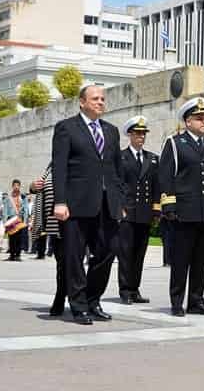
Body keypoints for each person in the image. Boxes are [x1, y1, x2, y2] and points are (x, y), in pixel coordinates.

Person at [52, 85, 124, 325]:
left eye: (103, 99)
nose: (100, 102)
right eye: (95, 98)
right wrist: (60, 201)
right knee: (74, 256)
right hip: (76, 204)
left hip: (107, 204)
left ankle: (93, 299)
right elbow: (59, 167)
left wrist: (120, 200)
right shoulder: (67, 128)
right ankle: (79, 305)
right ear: (82, 102)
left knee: (107, 251)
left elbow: (117, 170)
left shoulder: (111, 131)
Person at [159, 97, 204, 317]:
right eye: (199, 118)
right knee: (181, 260)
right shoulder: (175, 144)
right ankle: (177, 301)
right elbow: (166, 176)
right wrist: (169, 206)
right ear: (187, 121)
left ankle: (196, 300)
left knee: (201, 261)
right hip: (184, 212)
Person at [117, 116, 160, 305]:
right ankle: (125, 290)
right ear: (129, 135)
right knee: (126, 253)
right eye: (137, 134)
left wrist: (156, 209)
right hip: (128, 211)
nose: (141, 137)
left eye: (143, 134)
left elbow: (156, 187)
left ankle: (135, 289)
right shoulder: (121, 157)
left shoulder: (152, 159)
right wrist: (119, 208)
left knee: (140, 253)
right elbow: (116, 184)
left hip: (144, 212)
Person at [30, 164, 66, 315]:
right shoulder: (52, 166)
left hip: (77, 219)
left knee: (72, 264)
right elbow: (41, 184)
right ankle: (61, 297)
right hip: (56, 224)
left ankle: (84, 299)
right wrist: (33, 187)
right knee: (62, 264)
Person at [3, 179, 29, 261]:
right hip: (11, 219)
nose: (16, 187)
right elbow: (5, 210)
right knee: (12, 237)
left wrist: (25, 220)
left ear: (20, 186)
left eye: (18, 185)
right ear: (12, 186)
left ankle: (18, 255)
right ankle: (12, 254)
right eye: (15, 185)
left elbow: (26, 209)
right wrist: (5, 221)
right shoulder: (8, 198)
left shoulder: (23, 197)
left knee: (19, 238)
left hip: (19, 219)